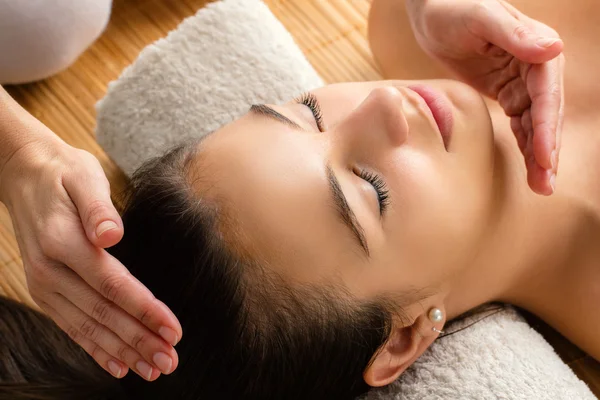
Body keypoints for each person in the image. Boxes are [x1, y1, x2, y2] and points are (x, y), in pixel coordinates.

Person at [0, 0, 584, 398]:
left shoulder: (412, 23)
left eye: (308, 111)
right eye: (370, 190)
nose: (383, 105)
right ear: (404, 337)